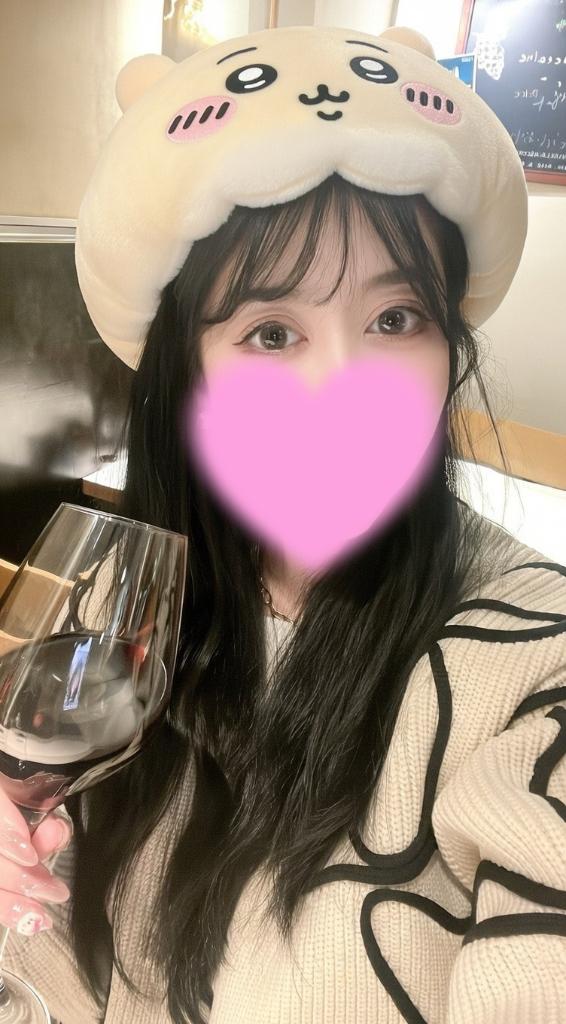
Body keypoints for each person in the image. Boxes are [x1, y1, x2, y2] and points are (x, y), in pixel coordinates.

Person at [2, 22, 566, 1024]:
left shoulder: (532, 668)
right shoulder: (131, 612)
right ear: (186, 374)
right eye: (271, 331)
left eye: (396, 318)